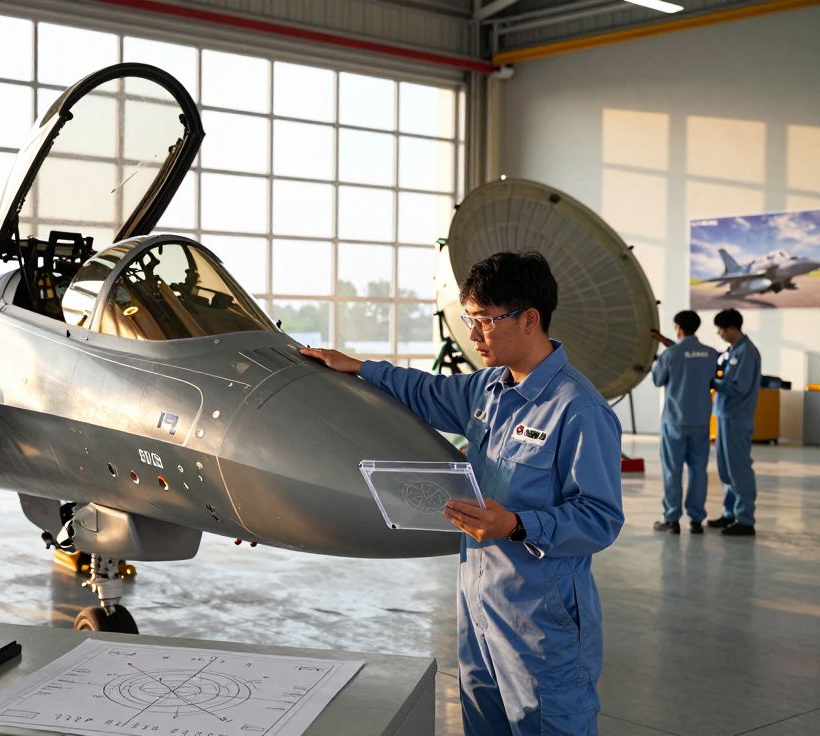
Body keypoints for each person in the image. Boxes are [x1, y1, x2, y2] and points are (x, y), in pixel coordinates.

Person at [301, 250, 623, 735]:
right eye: (470, 320)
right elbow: (423, 391)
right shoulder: (486, 390)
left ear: (529, 319)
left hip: (543, 626)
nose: (472, 335)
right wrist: (360, 368)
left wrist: (516, 525)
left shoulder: (578, 410)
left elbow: (600, 518)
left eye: (484, 321)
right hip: (479, 617)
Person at [649, 311, 718, 534]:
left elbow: (658, 380)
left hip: (675, 421)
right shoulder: (710, 354)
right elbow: (710, 378)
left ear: (678, 327)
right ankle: (697, 520)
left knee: (672, 471)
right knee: (699, 471)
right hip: (701, 421)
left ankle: (672, 520)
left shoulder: (670, 354)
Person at [707, 308, 761, 536]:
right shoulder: (732, 351)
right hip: (726, 415)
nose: (719, 334)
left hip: (738, 417)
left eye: (720, 329)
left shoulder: (747, 352)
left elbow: (739, 387)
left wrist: (713, 382)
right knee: (725, 469)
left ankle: (745, 519)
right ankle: (730, 513)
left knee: (739, 469)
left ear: (732, 328)